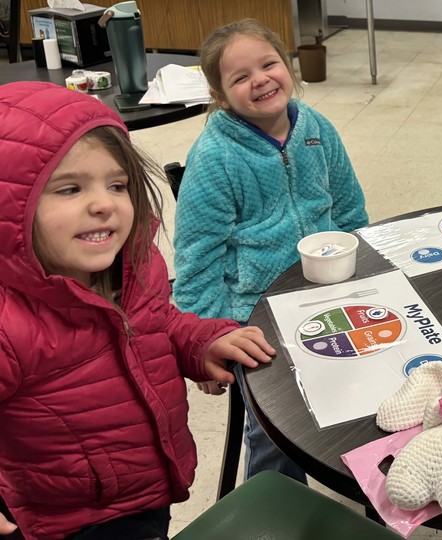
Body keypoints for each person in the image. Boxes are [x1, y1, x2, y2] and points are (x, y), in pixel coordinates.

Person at [0, 81, 277, 540]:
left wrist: (199, 340)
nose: (103, 204)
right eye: (69, 189)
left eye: (117, 185)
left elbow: (156, 325)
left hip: (148, 488)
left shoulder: (133, 268)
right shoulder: (10, 323)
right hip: (74, 522)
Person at [172, 19, 368, 485]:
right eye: (240, 77)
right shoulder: (215, 158)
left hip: (330, 285)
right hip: (255, 316)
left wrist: (366, 269)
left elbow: (349, 207)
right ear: (220, 96)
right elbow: (197, 262)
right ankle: (273, 502)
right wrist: (204, 338)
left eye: (268, 64)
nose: (259, 79)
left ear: (288, 67)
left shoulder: (315, 127)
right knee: (276, 426)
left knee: (383, 376)